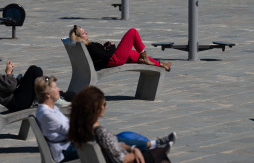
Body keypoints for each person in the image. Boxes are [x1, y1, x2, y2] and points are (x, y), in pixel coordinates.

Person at [34, 76, 176, 163]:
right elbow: (72, 129)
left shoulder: (49, 108)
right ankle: (153, 144)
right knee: (117, 137)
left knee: (121, 136)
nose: (59, 89)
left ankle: (152, 144)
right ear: (47, 94)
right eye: (55, 87)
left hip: (71, 144)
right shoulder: (46, 113)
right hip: (66, 150)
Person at [68, 86, 175, 163]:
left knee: (156, 153)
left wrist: (133, 148)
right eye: (104, 104)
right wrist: (135, 154)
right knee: (159, 153)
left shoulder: (80, 129)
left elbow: (111, 145)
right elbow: (121, 159)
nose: (105, 107)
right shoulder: (101, 132)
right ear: (95, 108)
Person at [69, 25, 172, 71]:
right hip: (114, 60)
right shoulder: (89, 46)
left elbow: (101, 54)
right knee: (132, 32)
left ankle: (162, 65)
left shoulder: (85, 46)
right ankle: (144, 55)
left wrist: (106, 46)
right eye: (84, 33)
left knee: (134, 54)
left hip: (112, 59)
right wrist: (112, 46)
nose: (86, 33)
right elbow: (107, 56)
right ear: (79, 37)